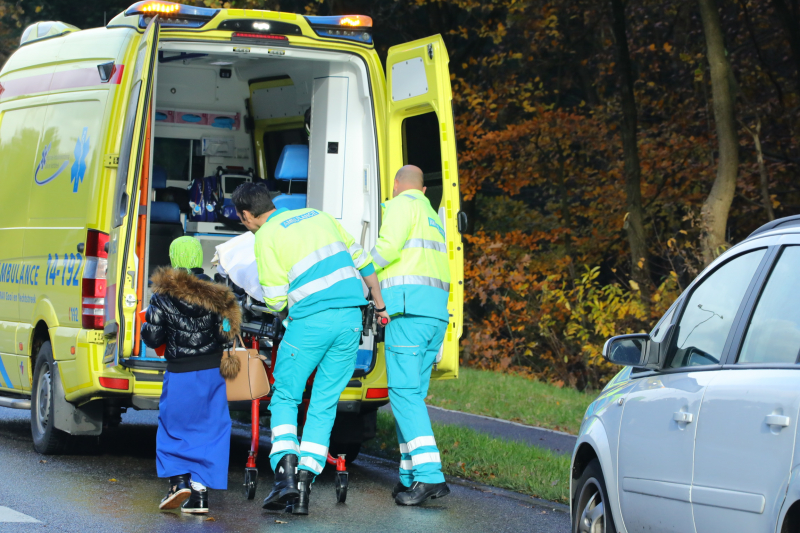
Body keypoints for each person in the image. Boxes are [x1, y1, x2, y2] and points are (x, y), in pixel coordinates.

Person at [231, 183, 389, 516]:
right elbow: (363, 261)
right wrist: (379, 304)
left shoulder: (266, 237)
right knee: (323, 402)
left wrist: (279, 306)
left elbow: (276, 299)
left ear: (246, 216)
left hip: (311, 323)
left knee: (286, 397)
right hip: (350, 320)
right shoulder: (319, 216)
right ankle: (304, 488)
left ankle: (285, 476)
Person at [141, 236, 241, 514]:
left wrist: (147, 325)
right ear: (198, 258)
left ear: (174, 259)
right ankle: (199, 494)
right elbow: (226, 334)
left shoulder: (162, 296)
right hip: (212, 372)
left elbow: (153, 338)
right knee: (211, 429)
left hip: (180, 371)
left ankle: (178, 482)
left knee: (174, 427)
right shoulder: (219, 294)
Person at [370, 165, 452, 506]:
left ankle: (430, 476)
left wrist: (358, 271)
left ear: (396, 184)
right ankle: (409, 476)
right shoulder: (432, 216)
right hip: (434, 316)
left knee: (403, 395)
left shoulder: (401, 205)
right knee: (413, 396)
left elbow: (387, 250)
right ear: (423, 189)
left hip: (408, 312)